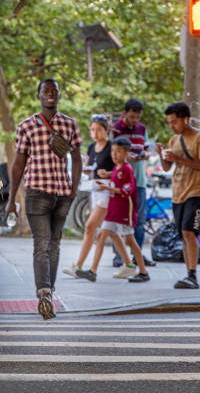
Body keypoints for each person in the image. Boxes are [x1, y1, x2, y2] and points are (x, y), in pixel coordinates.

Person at [5, 78, 82, 320]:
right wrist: (10, 199)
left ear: (59, 95)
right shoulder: (26, 126)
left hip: (62, 193)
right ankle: (44, 293)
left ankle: (49, 290)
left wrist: (74, 188)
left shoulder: (70, 125)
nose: (50, 94)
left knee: (55, 244)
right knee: (42, 243)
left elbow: (78, 159)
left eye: (54, 90)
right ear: (38, 95)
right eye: (46, 91)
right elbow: (19, 164)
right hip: (37, 192)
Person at [75, 137, 150, 283]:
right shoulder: (117, 167)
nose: (115, 154)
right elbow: (116, 176)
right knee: (101, 236)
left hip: (123, 211)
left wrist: (106, 187)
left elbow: (126, 190)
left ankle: (143, 271)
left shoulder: (127, 169)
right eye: (113, 151)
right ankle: (92, 271)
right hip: (112, 210)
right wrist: (107, 175)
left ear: (127, 153)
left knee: (130, 240)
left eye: (119, 151)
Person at [158, 102, 200, 289]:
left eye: (174, 122)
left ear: (185, 119)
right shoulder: (174, 140)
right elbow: (167, 167)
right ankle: (188, 273)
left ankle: (193, 275)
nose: (172, 126)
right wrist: (161, 156)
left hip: (196, 191)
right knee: (183, 233)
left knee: (190, 231)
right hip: (178, 192)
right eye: (169, 123)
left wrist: (179, 159)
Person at [63, 114, 114, 277]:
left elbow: (121, 170)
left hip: (108, 191)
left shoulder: (112, 148)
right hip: (94, 190)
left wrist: (108, 174)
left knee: (90, 226)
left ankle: (77, 265)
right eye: (92, 129)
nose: (95, 133)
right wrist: (87, 170)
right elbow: (90, 167)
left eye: (99, 129)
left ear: (107, 130)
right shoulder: (91, 147)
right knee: (112, 231)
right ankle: (131, 265)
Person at [111, 98, 156, 268]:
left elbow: (146, 150)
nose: (134, 120)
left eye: (137, 117)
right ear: (125, 114)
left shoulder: (142, 129)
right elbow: (112, 152)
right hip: (121, 181)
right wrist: (123, 156)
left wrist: (143, 155)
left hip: (139, 181)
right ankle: (119, 255)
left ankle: (136, 254)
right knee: (120, 219)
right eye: (131, 117)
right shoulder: (116, 128)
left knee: (139, 220)